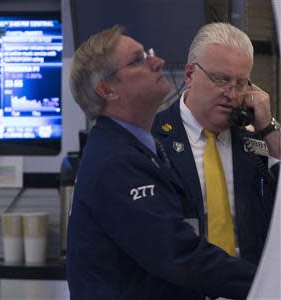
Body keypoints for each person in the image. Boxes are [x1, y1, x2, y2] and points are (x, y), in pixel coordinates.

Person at [67, 24, 256, 300]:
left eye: (149, 54)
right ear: (107, 90)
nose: (158, 62)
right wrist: (267, 283)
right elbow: (177, 254)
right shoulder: (117, 161)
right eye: (138, 60)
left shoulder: (139, 148)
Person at [152, 23, 278, 266]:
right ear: (189, 75)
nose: (231, 94)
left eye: (241, 83)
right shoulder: (153, 137)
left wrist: (269, 128)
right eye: (221, 80)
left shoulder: (254, 141)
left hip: (250, 286)